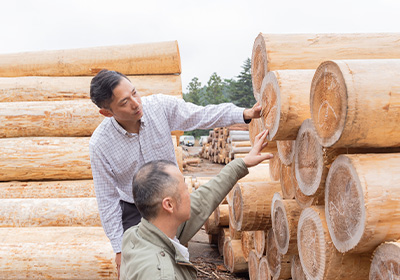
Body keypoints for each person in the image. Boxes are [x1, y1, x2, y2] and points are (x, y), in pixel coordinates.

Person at [89, 69, 262, 276]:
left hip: (174, 198)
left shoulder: (159, 107)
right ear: (107, 112)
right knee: (147, 266)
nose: (136, 103)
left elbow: (200, 115)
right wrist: (119, 249)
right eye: (124, 102)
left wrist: (244, 114)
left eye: (135, 93)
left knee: (177, 256)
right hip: (136, 211)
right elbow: (107, 198)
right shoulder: (100, 144)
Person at [120, 130, 273, 280]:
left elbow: (204, 198)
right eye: (185, 189)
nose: (191, 194)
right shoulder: (163, 275)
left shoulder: (137, 233)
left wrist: (243, 163)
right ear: (169, 205)